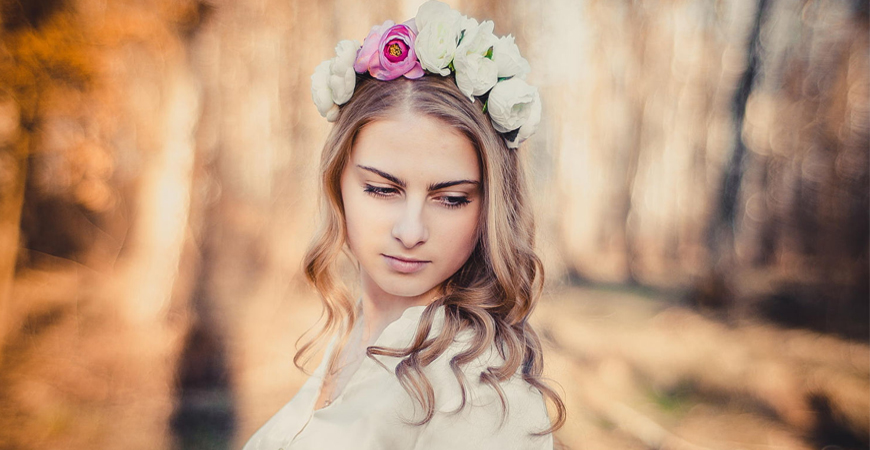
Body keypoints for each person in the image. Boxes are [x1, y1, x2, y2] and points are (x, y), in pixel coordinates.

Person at [243, 1, 565, 448]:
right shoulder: (352, 335)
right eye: (381, 189)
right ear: (338, 183)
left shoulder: (478, 392)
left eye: (451, 199)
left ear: (489, 208)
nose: (411, 232)